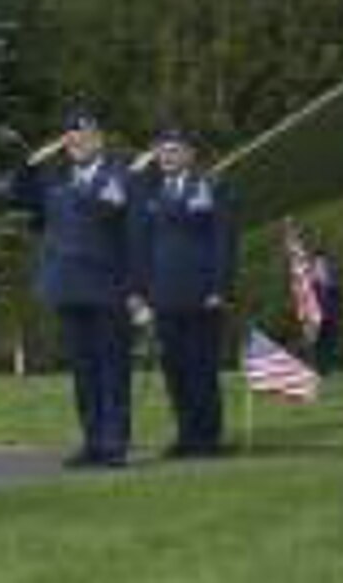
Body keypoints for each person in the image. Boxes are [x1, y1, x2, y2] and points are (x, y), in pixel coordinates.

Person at [11, 109, 136, 469]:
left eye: (85, 138)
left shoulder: (118, 178)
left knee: (112, 369)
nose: (78, 145)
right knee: (83, 372)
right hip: (68, 288)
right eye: (72, 140)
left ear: (99, 140)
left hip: (107, 286)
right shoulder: (56, 183)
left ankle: (115, 444)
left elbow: (120, 223)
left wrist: (137, 289)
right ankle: (93, 441)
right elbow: (19, 195)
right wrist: (36, 160)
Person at [130, 126, 236, 458]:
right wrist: (141, 293)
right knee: (174, 370)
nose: (167, 156)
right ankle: (186, 435)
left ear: (190, 154)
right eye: (161, 151)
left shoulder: (210, 186)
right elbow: (143, 247)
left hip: (201, 292)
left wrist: (219, 287)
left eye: (174, 150)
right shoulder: (151, 193)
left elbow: (223, 241)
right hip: (164, 294)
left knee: (202, 368)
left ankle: (209, 438)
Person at [312, 248, 341, 376]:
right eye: (318, 261)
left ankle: (327, 368)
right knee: (317, 343)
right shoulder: (309, 278)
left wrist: (326, 282)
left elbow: (336, 293)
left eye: (322, 261)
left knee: (329, 343)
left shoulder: (330, 276)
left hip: (330, 315)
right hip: (315, 316)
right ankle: (317, 368)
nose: (320, 263)